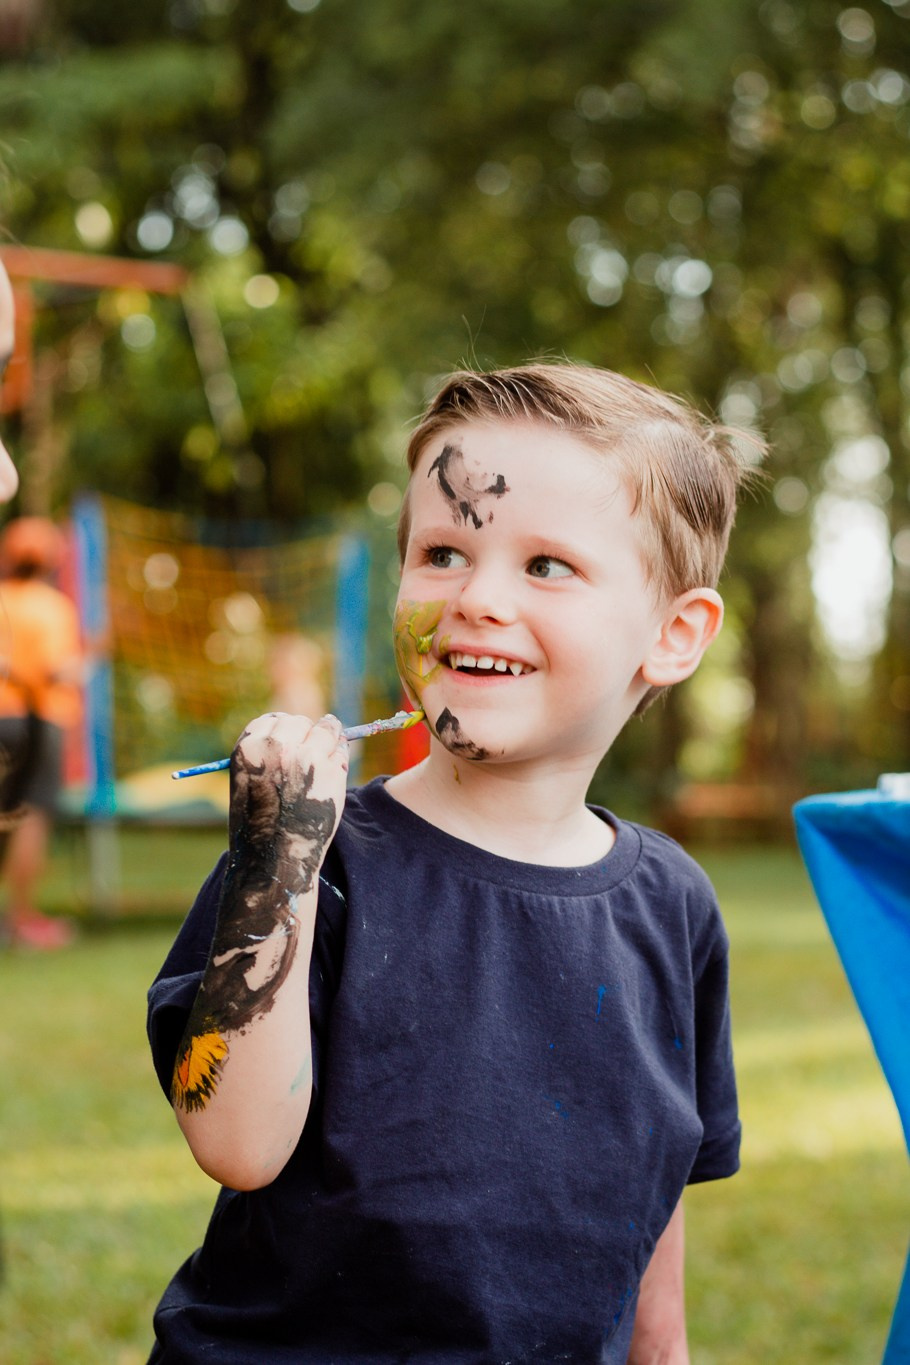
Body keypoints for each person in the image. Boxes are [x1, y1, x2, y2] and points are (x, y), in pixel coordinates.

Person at [147, 362, 749, 1364]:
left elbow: (657, 1181)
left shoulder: (673, 905)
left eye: (546, 565)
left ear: (673, 634)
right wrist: (276, 864)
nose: (477, 598)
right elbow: (237, 1147)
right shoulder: (316, 859)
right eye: (441, 552)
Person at [0, 515, 83, 948]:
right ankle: (23, 919)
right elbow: (54, 668)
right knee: (31, 815)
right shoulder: (52, 606)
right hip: (36, 717)